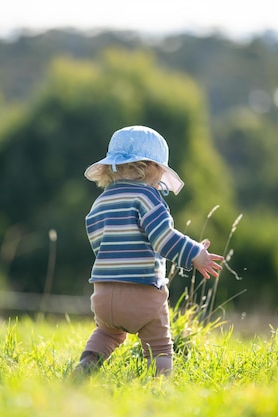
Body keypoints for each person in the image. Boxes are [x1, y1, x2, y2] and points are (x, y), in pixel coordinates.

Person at [74, 125, 224, 377]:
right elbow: (163, 239)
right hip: (141, 292)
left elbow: (97, 242)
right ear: (151, 167)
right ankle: (161, 386)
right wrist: (196, 253)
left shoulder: (100, 202)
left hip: (103, 294)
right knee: (160, 346)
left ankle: (84, 368)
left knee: (106, 334)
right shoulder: (147, 197)